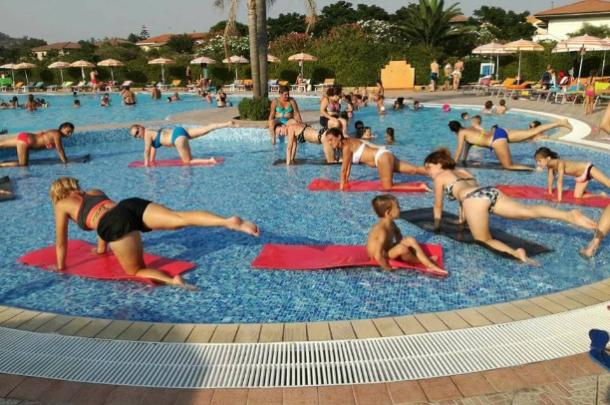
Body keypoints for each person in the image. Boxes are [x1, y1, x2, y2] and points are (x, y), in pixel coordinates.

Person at [49, 177, 259, 289]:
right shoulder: (94, 192)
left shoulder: (61, 204)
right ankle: (227, 221)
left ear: (57, 193)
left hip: (113, 223)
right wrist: (101, 248)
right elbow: (107, 213)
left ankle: (172, 281)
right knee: (179, 218)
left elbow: (62, 242)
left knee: (136, 271)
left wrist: (61, 269)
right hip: (129, 205)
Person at [424, 149, 597, 265]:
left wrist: (437, 227)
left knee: (484, 239)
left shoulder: (440, 177)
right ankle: (568, 215)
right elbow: (468, 192)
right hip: (488, 192)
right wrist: (462, 218)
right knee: (527, 212)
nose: (428, 172)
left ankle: (516, 253)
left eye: (429, 167)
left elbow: (438, 205)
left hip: (473, 200)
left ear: (439, 164)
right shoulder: (463, 172)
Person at [325, 128, 428, 191]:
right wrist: (345, 182)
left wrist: (341, 189)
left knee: (387, 187)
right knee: (415, 170)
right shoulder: (349, 142)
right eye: (328, 141)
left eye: (331, 140)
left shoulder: (346, 147)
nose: (329, 143)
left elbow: (343, 170)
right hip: (384, 154)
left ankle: (421, 187)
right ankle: (440, 172)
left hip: (381, 158)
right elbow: (348, 168)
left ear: (338, 137)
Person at [448, 119, 572, 171]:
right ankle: (559, 123)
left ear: (454, 131)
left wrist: (453, 164)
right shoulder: (469, 129)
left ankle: (535, 169)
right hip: (500, 131)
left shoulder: (461, 133)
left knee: (508, 166)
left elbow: (459, 150)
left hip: (496, 140)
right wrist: (463, 161)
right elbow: (466, 149)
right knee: (531, 132)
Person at [367, 194, 443, 272]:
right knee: (402, 249)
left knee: (410, 239)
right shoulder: (382, 231)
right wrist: (388, 268)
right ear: (388, 213)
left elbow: (398, 233)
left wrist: (400, 244)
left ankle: (428, 263)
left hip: (387, 250)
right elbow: (377, 255)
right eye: (398, 207)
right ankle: (421, 261)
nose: (400, 208)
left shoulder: (391, 224)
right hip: (379, 256)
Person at [130, 121, 235, 166]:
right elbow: (153, 148)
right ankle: (227, 124)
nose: (138, 135)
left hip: (176, 138)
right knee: (205, 129)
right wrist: (152, 162)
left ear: (141, 127)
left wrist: (146, 166)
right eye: (135, 136)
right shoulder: (150, 130)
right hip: (179, 130)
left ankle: (210, 160)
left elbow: (146, 151)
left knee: (188, 161)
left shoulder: (147, 134)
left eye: (137, 132)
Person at [534, 147, 610, 201]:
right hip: (580, 177)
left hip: (588, 169)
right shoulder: (549, 166)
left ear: (548, 158)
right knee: (577, 197)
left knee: (607, 182)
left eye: (539, 161)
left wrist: (559, 199)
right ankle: (601, 195)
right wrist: (550, 192)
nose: (538, 163)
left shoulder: (560, 163)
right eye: (537, 161)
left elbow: (560, 182)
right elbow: (550, 178)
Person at [0, 122, 75, 167]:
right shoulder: (57, 134)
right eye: (68, 131)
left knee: (1, 144)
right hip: (26, 142)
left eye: (71, 132)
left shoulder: (54, 132)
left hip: (25, 137)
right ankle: (1, 165)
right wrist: (65, 162)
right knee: (22, 165)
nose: (69, 134)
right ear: (62, 128)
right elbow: (59, 149)